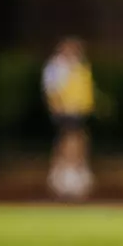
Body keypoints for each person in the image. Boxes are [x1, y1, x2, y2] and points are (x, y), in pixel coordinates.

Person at [42, 37, 95, 201]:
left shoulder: (79, 66)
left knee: (79, 139)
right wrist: (58, 107)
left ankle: (76, 172)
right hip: (66, 111)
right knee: (68, 139)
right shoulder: (57, 66)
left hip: (79, 111)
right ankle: (64, 176)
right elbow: (51, 89)